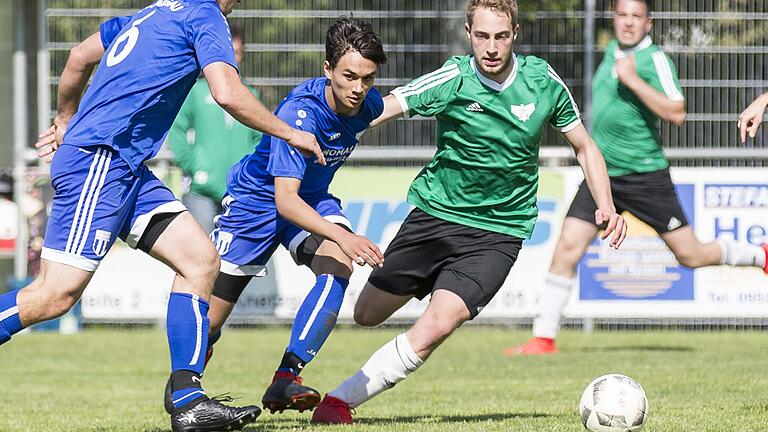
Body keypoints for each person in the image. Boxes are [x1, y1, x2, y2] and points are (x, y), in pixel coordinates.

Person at [310, 0, 627, 424]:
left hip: (498, 232)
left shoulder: (541, 81)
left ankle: (339, 401)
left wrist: (606, 205)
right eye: (482, 36)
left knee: (439, 324)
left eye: (500, 36)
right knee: (367, 314)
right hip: (435, 217)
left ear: (515, 33)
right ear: (468, 32)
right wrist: (314, 126)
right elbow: (381, 108)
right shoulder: (453, 77)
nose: (491, 47)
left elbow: (585, 146)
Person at [23, 1, 323, 430]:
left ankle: (189, 400)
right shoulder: (205, 15)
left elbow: (77, 57)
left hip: (125, 169)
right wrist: (292, 132)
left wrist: (65, 119)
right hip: (100, 162)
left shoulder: (150, 14)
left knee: (200, 262)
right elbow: (227, 92)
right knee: (54, 295)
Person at [508, 0, 768, 356]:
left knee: (690, 255)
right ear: (614, 19)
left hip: (645, 176)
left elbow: (677, 112)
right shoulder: (612, 49)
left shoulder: (653, 59)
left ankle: (758, 256)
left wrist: (632, 80)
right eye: (622, 15)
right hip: (602, 176)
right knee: (566, 249)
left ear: (649, 23)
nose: (628, 23)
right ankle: (543, 339)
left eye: (636, 17)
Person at [160, 17, 389, 416]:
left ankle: (287, 377)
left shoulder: (368, 104)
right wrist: (346, 236)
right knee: (210, 320)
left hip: (312, 199)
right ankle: (187, 393)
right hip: (257, 205)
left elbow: (397, 104)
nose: (358, 89)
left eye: (367, 79)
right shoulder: (302, 112)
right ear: (328, 69)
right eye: (349, 76)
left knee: (338, 264)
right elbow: (285, 201)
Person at [168, 25, 263, 234]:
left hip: (241, 192)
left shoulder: (251, 95)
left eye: (237, 53)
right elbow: (177, 131)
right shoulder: (195, 91)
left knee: (236, 263)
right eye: (229, 52)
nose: (233, 59)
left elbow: (259, 140)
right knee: (198, 258)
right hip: (201, 190)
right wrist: (194, 165)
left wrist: (250, 173)